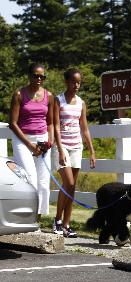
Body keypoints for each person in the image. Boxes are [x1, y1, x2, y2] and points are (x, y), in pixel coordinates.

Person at [52, 68, 96, 238]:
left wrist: (92, 151)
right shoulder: (58, 100)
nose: (76, 85)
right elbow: (56, 125)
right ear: (67, 82)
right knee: (68, 182)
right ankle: (57, 220)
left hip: (77, 147)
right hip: (62, 147)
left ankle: (66, 225)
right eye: (73, 82)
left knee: (72, 187)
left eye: (78, 82)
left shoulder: (81, 103)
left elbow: (84, 128)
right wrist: (61, 148)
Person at [9, 63, 54, 225]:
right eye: (36, 75)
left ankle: (37, 220)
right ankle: (25, 217)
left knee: (43, 182)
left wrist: (51, 140)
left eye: (42, 76)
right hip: (23, 139)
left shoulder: (49, 96)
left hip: (42, 139)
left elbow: (50, 122)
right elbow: (12, 123)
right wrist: (29, 145)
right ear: (29, 76)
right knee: (30, 178)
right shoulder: (19, 94)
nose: (39, 79)